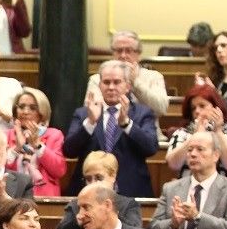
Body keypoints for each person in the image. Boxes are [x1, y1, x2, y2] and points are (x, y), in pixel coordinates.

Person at [65, 60, 160, 199]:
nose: (111, 87)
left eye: (117, 82)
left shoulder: (143, 113)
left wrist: (126, 124)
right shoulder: (84, 114)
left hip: (130, 192)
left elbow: (151, 147)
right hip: (88, 192)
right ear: (99, 85)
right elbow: (69, 150)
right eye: (106, 82)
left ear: (127, 86)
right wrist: (90, 123)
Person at [52, 151, 142, 229]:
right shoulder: (76, 205)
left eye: (99, 178)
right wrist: (78, 220)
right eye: (88, 179)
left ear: (113, 176)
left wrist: (107, 213)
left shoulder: (128, 205)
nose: (93, 183)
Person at [164, 84, 227, 179]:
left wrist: (218, 131)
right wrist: (196, 136)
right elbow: (173, 164)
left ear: (217, 108)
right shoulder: (182, 134)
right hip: (187, 189)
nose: (197, 111)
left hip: (222, 191)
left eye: (202, 106)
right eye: (193, 108)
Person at [86, 30, 170, 117]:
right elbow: (91, 110)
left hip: (145, 129)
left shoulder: (154, 77)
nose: (123, 55)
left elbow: (161, 109)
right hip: (111, 128)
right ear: (112, 53)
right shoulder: (97, 79)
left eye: (128, 51)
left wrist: (135, 83)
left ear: (138, 54)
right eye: (119, 51)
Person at [4, 88, 65, 197]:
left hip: (44, 197)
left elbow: (59, 171)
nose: (25, 112)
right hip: (12, 197)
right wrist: (17, 148)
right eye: (21, 107)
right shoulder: (6, 135)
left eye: (32, 108)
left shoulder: (54, 135)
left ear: (41, 112)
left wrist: (38, 146)